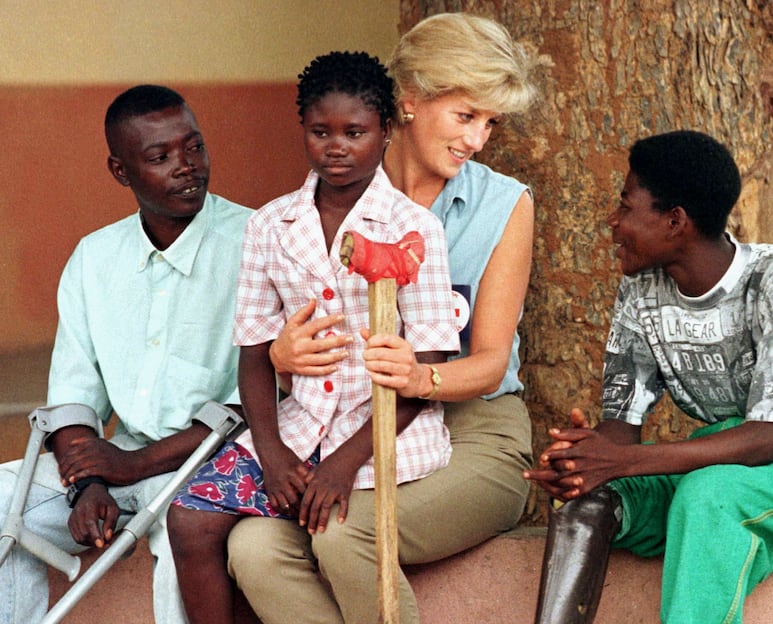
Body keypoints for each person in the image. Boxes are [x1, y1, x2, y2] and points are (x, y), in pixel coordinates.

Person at [227, 13, 538, 624]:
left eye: (490, 123)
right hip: (350, 423)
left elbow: (491, 359)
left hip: (476, 428)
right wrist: (282, 358)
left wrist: (421, 381)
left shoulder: (504, 204)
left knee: (344, 531)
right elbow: (272, 341)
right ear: (411, 100)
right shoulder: (319, 196)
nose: (477, 140)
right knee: (253, 547)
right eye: (466, 115)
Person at [167, 51, 459, 624]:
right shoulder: (270, 226)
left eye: (356, 132)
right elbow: (253, 357)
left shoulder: (414, 230)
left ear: (385, 133)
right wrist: (272, 454)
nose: (336, 146)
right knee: (191, 516)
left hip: (377, 438)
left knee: (328, 532)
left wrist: (344, 464)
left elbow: (422, 372)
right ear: (302, 129)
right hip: (296, 435)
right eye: (320, 131)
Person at [0, 84, 252, 624]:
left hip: (211, 462)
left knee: (181, 546)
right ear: (121, 171)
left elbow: (252, 404)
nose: (187, 167)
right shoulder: (95, 258)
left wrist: (130, 464)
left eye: (195, 147)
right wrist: (87, 482)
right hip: (119, 460)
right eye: (160, 157)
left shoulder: (256, 244)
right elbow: (72, 395)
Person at [527, 130, 773, 624]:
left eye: (626, 206)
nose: (612, 222)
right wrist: (585, 461)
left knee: (707, 497)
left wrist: (625, 460)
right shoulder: (642, 290)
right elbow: (622, 428)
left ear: (676, 221)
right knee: (587, 503)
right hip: (718, 457)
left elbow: (765, 441)